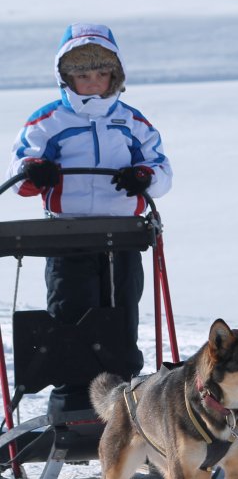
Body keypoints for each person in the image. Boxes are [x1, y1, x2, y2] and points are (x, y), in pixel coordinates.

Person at [6, 23, 172, 381]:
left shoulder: (132, 121)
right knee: (72, 313)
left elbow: (161, 172)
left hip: (123, 234)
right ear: (66, 77)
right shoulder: (48, 121)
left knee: (122, 313)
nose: (94, 82)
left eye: (102, 72)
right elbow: (19, 176)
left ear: (116, 75)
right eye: (83, 74)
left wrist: (143, 177)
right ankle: (72, 398)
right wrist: (36, 171)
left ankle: (124, 394)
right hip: (67, 235)